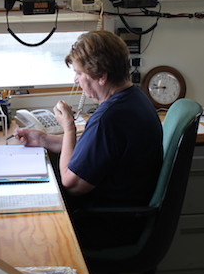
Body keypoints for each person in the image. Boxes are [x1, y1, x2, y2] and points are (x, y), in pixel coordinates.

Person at [16, 30, 163, 221]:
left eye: (79, 73)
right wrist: (42, 139)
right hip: (126, 212)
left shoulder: (108, 118)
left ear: (101, 75)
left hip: (106, 222)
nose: (75, 80)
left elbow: (71, 183)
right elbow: (92, 149)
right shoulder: (134, 98)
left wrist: (68, 127)